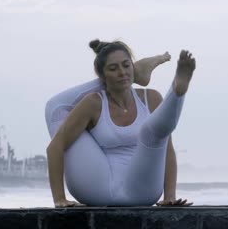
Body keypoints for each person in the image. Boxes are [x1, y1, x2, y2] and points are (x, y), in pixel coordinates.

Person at [45, 40, 196, 207]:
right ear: (102, 76)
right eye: (113, 68)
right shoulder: (93, 103)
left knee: (150, 133)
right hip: (97, 189)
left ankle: (177, 92)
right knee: (55, 109)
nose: (122, 72)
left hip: (143, 190)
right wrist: (59, 198)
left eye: (126, 66)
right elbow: (54, 147)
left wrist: (170, 196)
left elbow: (167, 151)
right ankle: (144, 76)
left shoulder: (151, 99)